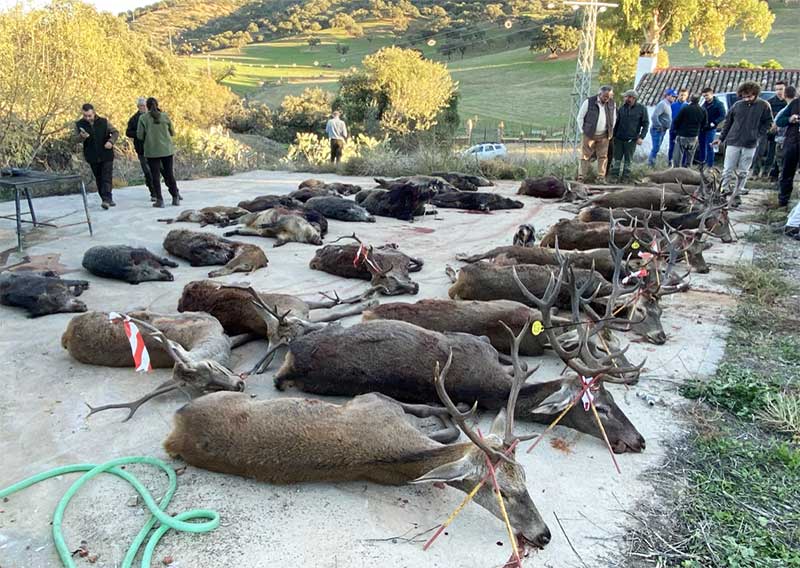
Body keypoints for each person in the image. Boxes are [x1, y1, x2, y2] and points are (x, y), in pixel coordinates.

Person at [713, 81, 773, 204]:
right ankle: (724, 190)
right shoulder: (737, 105)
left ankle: (738, 191)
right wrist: (721, 138)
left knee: (743, 171)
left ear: (755, 94)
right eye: (743, 96)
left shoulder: (764, 105)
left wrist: (757, 135)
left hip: (750, 143)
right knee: (727, 169)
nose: (746, 99)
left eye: (749, 96)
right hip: (733, 141)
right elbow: (728, 123)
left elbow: (768, 123)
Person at [136, 97, 182, 208]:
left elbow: (140, 136)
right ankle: (175, 197)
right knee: (169, 174)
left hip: (152, 151)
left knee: (155, 176)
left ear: (147, 106)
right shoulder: (165, 116)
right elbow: (172, 132)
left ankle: (160, 200)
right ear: (157, 105)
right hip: (167, 150)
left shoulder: (143, 118)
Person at [75, 103, 119, 210]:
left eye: (89, 115)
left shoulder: (104, 121)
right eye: (85, 116)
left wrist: (111, 141)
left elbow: (115, 132)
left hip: (106, 153)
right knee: (99, 178)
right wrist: (81, 137)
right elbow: (75, 140)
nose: (87, 118)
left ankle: (106, 199)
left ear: (94, 113)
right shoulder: (79, 124)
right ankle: (105, 198)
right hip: (92, 155)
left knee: (106, 176)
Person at [576, 85, 616, 182]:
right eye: (605, 96)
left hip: (604, 135)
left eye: (609, 97)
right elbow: (580, 117)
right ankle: (581, 176)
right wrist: (583, 131)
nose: (606, 99)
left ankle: (601, 177)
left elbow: (614, 118)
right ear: (599, 94)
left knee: (603, 156)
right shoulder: (588, 102)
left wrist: (610, 130)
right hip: (589, 134)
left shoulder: (612, 104)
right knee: (585, 156)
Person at [126, 97, 162, 203]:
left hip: (155, 149)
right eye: (141, 106)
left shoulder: (154, 116)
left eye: (145, 106)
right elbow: (128, 132)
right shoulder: (134, 119)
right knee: (147, 172)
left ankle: (174, 192)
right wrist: (139, 133)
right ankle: (153, 193)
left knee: (161, 170)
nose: (143, 108)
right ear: (138, 107)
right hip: (142, 150)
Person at [610, 89, 648, 181]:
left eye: (626, 97)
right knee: (616, 159)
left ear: (632, 98)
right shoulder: (622, 108)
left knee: (628, 160)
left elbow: (645, 124)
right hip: (619, 138)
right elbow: (617, 123)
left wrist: (641, 137)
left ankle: (625, 178)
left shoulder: (642, 109)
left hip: (632, 139)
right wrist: (613, 136)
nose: (625, 98)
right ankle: (614, 177)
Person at [753, 81, 787, 179]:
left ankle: (766, 173)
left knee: (772, 154)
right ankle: (755, 173)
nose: (779, 91)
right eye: (777, 89)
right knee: (759, 152)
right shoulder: (770, 102)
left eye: (781, 89)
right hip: (766, 130)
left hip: (780, 132)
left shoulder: (788, 104)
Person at [775, 89, 799, 209]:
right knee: (787, 173)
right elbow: (779, 121)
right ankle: (783, 202)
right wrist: (790, 119)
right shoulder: (795, 104)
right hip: (792, 142)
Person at [671, 94, 707, 168]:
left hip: (682, 135)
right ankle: (688, 170)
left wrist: (676, 130)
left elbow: (676, 120)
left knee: (678, 157)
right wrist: (698, 130)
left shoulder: (685, 108)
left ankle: (677, 171)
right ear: (699, 101)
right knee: (690, 157)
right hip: (694, 136)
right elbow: (705, 124)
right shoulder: (703, 110)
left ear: (691, 99)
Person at [772, 86, 796, 189]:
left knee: (782, 166)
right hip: (794, 141)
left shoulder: (784, 110)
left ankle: (782, 187)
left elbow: (775, 126)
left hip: (782, 141)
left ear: (784, 95)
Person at [697, 87, 726, 168]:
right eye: (704, 96)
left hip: (711, 128)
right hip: (702, 128)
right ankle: (702, 163)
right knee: (702, 146)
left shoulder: (718, 104)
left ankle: (710, 165)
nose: (705, 97)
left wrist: (714, 123)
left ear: (712, 94)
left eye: (707, 95)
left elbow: (722, 115)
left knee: (710, 146)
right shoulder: (704, 104)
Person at [648, 89, 676, 166]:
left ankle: (652, 163)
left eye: (675, 97)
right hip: (657, 130)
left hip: (663, 130)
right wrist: (659, 126)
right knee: (656, 148)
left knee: (657, 148)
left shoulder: (668, 105)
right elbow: (654, 116)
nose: (674, 98)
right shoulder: (662, 104)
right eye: (672, 96)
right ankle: (650, 164)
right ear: (667, 95)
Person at [667, 88, 689, 166]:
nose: (682, 97)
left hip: (683, 130)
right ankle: (670, 162)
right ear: (678, 95)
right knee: (672, 146)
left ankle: (682, 164)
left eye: (684, 95)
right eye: (681, 95)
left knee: (683, 148)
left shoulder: (688, 106)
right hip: (673, 129)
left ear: (687, 96)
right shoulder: (673, 105)